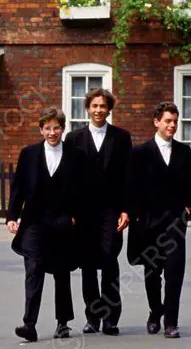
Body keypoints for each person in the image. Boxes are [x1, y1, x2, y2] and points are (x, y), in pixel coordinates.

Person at [7, 107, 81, 343]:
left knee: (61, 272)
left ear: (62, 128)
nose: (52, 132)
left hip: (61, 220)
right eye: (47, 128)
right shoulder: (28, 154)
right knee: (33, 271)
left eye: (56, 128)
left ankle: (63, 322)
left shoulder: (75, 155)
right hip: (34, 222)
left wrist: (74, 215)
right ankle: (30, 323)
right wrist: (12, 216)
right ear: (41, 129)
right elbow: (18, 188)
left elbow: (84, 190)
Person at [126, 101, 191, 340]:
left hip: (175, 223)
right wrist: (136, 215)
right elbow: (132, 186)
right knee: (152, 273)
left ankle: (171, 322)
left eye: (175, 121)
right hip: (148, 222)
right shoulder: (140, 153)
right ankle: (155, 312)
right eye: (168, 121)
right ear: (156, 122)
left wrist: (188, 208)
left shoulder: (184, 151)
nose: (172, 125)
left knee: (175, 273)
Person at [64, 87, 131, 335]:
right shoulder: (74, 138)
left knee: (110, 261)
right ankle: (92, 317)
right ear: (87, 108)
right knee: (88, 265)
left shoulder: (121, 137)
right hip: (83, 212)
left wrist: (126, 209)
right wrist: (69, 210)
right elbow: (68, 178)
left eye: (103, 106)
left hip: (111, 210)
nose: (99, 110)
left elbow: (127, 176)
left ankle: (111, 318)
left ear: (109, 109)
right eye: (95, 106)